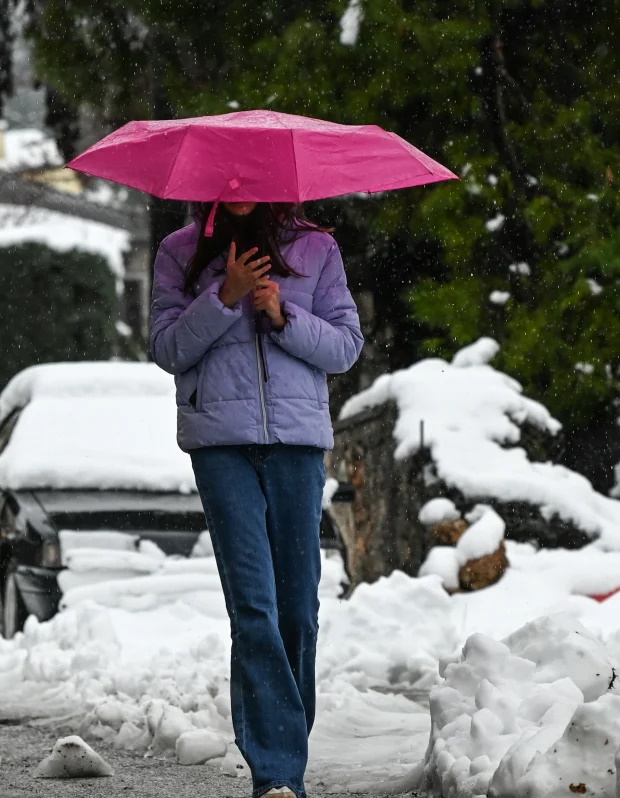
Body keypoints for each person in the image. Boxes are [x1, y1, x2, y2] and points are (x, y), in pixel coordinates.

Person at [149, 201, 363, 798]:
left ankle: (282, 749)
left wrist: (283, 313)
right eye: (226, 181)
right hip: (221, 447)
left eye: (251, 180)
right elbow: (167, 349)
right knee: (254, 606)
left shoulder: (316, 248)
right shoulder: (180, 251)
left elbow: (346, 347)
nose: (239, 189)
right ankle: (278, 773)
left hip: (296, 444)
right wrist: (224, 295)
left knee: (297, 609)